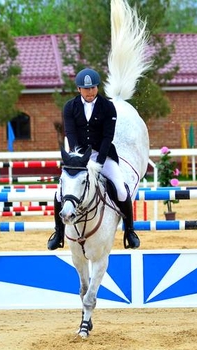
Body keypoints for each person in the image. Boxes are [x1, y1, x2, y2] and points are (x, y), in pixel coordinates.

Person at [47, 68, 140, 250]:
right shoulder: (69, 107)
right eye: (85, 89)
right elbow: (71, 134)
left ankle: (129, 231)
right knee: (59, 193)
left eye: (93, 88)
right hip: (78, 157)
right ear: (79, 89)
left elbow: (108, 136)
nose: (90, 92)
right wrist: (77, 158)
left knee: (121, 190)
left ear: (97, 88)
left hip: (103, 155)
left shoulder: (108, 107)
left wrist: (99, 162)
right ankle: (58, 234)